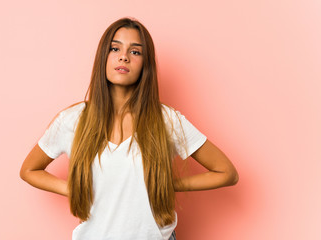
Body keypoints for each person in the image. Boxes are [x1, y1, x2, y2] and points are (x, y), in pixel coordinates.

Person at [20, 17, 239, 240]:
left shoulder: (166, 120)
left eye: (135, 52)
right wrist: (72, 189)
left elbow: (227, 173)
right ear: (103, 57)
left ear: (146, 65)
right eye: (115, 48)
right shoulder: (72, 120)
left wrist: (167, 184)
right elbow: (29, 170)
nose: (123, 56)